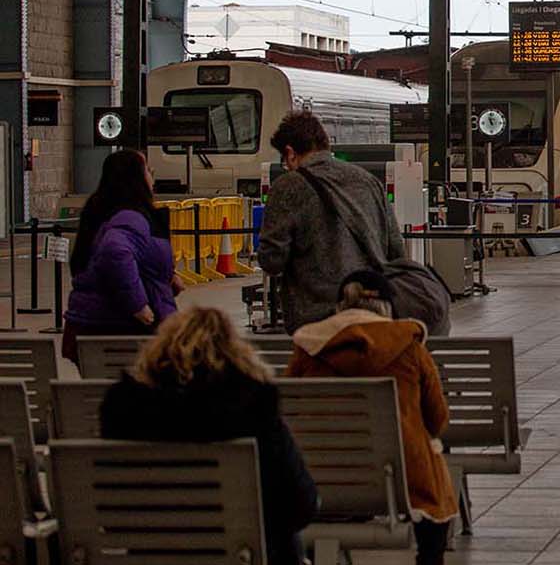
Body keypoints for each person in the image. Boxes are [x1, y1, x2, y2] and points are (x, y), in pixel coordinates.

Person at [100, 307, 318, 565]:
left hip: (152, 550)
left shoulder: (124, 410)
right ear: (235, 352)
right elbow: (299, 504)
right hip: (241, 553)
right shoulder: (254, 411)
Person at [287, 271, 457, 565]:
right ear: (388, 307)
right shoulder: (410, 348)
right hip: (399, 481)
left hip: (319, 477)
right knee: (432, 468)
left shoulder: (308, 349)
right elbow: (437, 419)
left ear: (340, 306)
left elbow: (287, 411)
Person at [259, 111, 406, 333]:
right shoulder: (368, 181)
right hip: (373, 314)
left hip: (316, 321)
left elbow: (272, 260)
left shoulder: (288, 186)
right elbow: (396, 249)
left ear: (290, 154)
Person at [62, 149, 179, 363]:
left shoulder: (98, 209)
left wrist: (165, 276)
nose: (152, 176)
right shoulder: (131, 215)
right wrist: (138, 304)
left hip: (88, 324)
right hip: (122, 329)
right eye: (148, 170)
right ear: (135, 177)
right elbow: (115, 252)